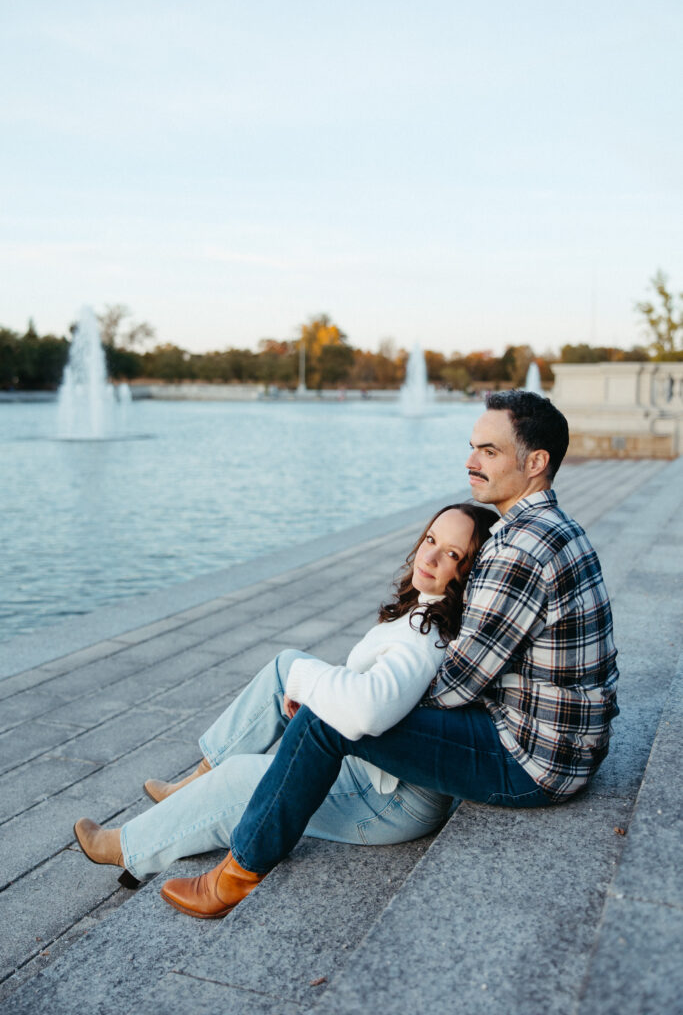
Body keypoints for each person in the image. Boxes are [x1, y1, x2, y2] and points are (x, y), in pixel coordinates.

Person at [158, 389, 620, 920]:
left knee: (326, 722)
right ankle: (224, 798)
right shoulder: (553, 527)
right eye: (473, 447)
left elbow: (457, 684)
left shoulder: (520, 548)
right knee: (340, 706)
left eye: (489, 451)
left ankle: (237, 875)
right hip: (559, 745)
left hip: (530, 763)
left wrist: (347, 700)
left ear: (535, 463)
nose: (471, 461)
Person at [74, 501, 497, 885]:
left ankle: (126, 848)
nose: (430, 556)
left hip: (387, 801)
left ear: (469, 573)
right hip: (379, 770)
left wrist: (310, 690)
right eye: (430, 540)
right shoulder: (425, 608)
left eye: (452, 554)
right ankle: (196, 781)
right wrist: (313, 694)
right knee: (286, 665)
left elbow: (370, 710)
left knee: (243, 777)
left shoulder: (427, 638)